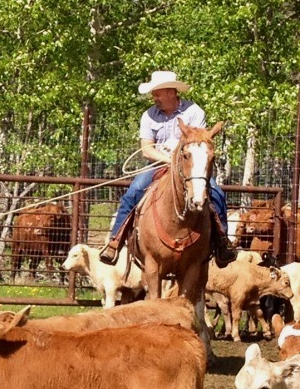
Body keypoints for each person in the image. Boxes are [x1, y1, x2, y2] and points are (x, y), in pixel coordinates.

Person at [99, 70, 235, 266]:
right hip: (158, 164)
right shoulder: (148, 116)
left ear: (171, 92)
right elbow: (147, 149)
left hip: (191, 167)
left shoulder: (194, 112)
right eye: (154, 94)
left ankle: (222, 243)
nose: (154, 98)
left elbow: (200, 142)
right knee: (134, 191)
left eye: (157, 93)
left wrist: (182, 161)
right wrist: (169, 160)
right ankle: (115, 241)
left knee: (216, 193)